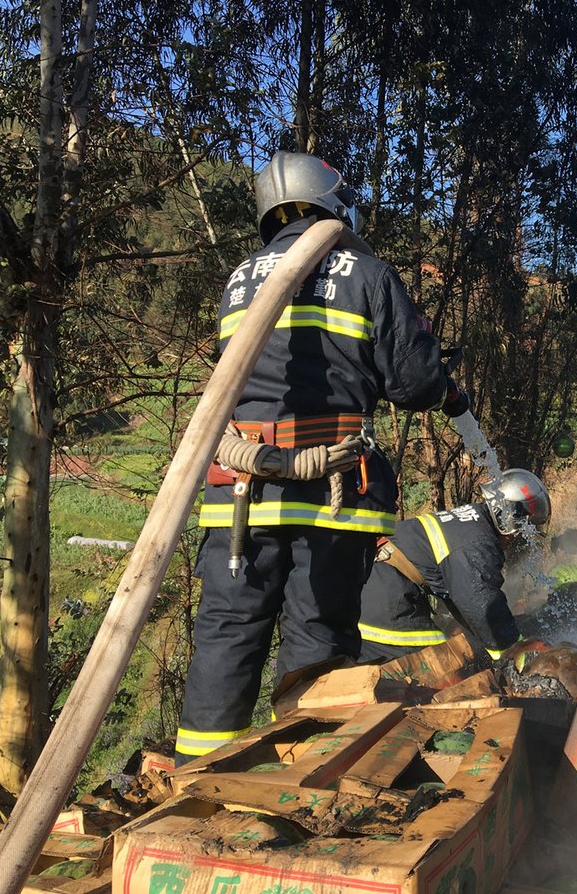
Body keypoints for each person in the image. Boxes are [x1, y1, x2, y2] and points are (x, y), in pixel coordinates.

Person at [174, 152, 465, 765]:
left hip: (237, 487)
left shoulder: (239, 276)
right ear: (334, 204)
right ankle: (300, 775)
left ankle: (196, 779)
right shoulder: (365, 273)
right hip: (330, 491)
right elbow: (413, 384)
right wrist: (443, 381)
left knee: (227, 634)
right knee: (317, 631)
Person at [358, 469, 552, 662]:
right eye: (522, 533)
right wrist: (515, 651)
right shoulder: (478, 543)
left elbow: (462, 602)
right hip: (385, 602)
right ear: (510, 521)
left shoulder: (471, 524)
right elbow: (480, 602)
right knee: (442, 666)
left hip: (373, 588)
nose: (517, 540)